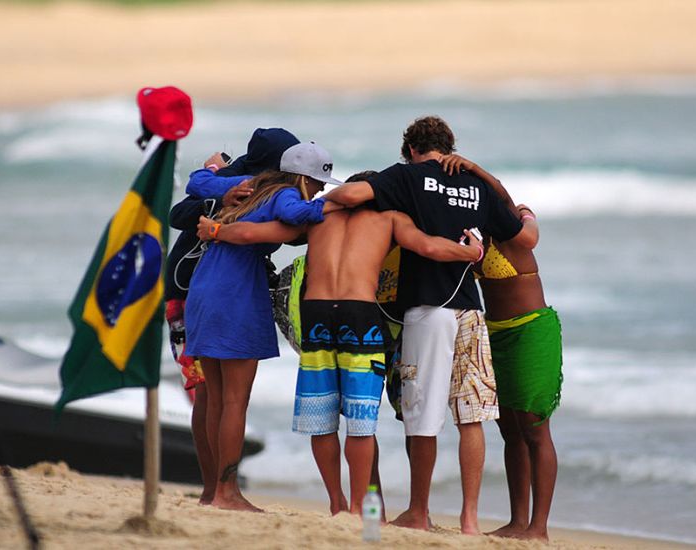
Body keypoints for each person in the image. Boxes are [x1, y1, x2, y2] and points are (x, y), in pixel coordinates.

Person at [198, 170, 485, 517]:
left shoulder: (319, 215)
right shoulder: (390, 217)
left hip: (317, 314)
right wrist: (469, 252)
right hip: (359, 315)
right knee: (360, 421)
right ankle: (359, 506)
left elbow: (254, 232)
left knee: (322, 417)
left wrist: (216, 230)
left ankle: (335, 504)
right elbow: (427, 246)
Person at [322, 116, 536, 534]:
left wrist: (318, 202)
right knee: (470, 414)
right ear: (449, 146)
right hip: (470, 311)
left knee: (408, 416)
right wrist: (525, 214)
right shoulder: (476, 187)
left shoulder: (405, 179)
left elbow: (351, 194)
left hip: (419, 312)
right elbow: (524, 238)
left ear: (410, 150)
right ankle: (469, 521)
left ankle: (406, 514)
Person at [184, 141, 343, 512]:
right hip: (235, 292)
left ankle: (214, 491)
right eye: (319, 183)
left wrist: (214, 175)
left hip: (204, 289)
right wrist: (332, 204)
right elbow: (300, 212)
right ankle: (227, 494)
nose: (320, 189)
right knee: (236, 401)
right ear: (304, 178)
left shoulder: (252, 184)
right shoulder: (287, 193)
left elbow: (198, 184)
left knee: (217, 401)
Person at [164, 127, 299, 504]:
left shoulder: (236, 177)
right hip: (187, 294)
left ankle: (213, 492)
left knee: (210, 396)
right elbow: (178, 213)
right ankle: (218, 490)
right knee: (207, 395)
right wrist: (219, 199)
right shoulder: (244, 182)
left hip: (202, 293)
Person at [441, 154, 563, 542]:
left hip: (531, 331)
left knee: (534, 427)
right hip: (494, 333)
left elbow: (503, 195)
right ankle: (516, 521)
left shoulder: (512, 227)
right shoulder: (472, 234)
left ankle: (538, 527)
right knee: (509, 430)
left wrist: (474, 169)